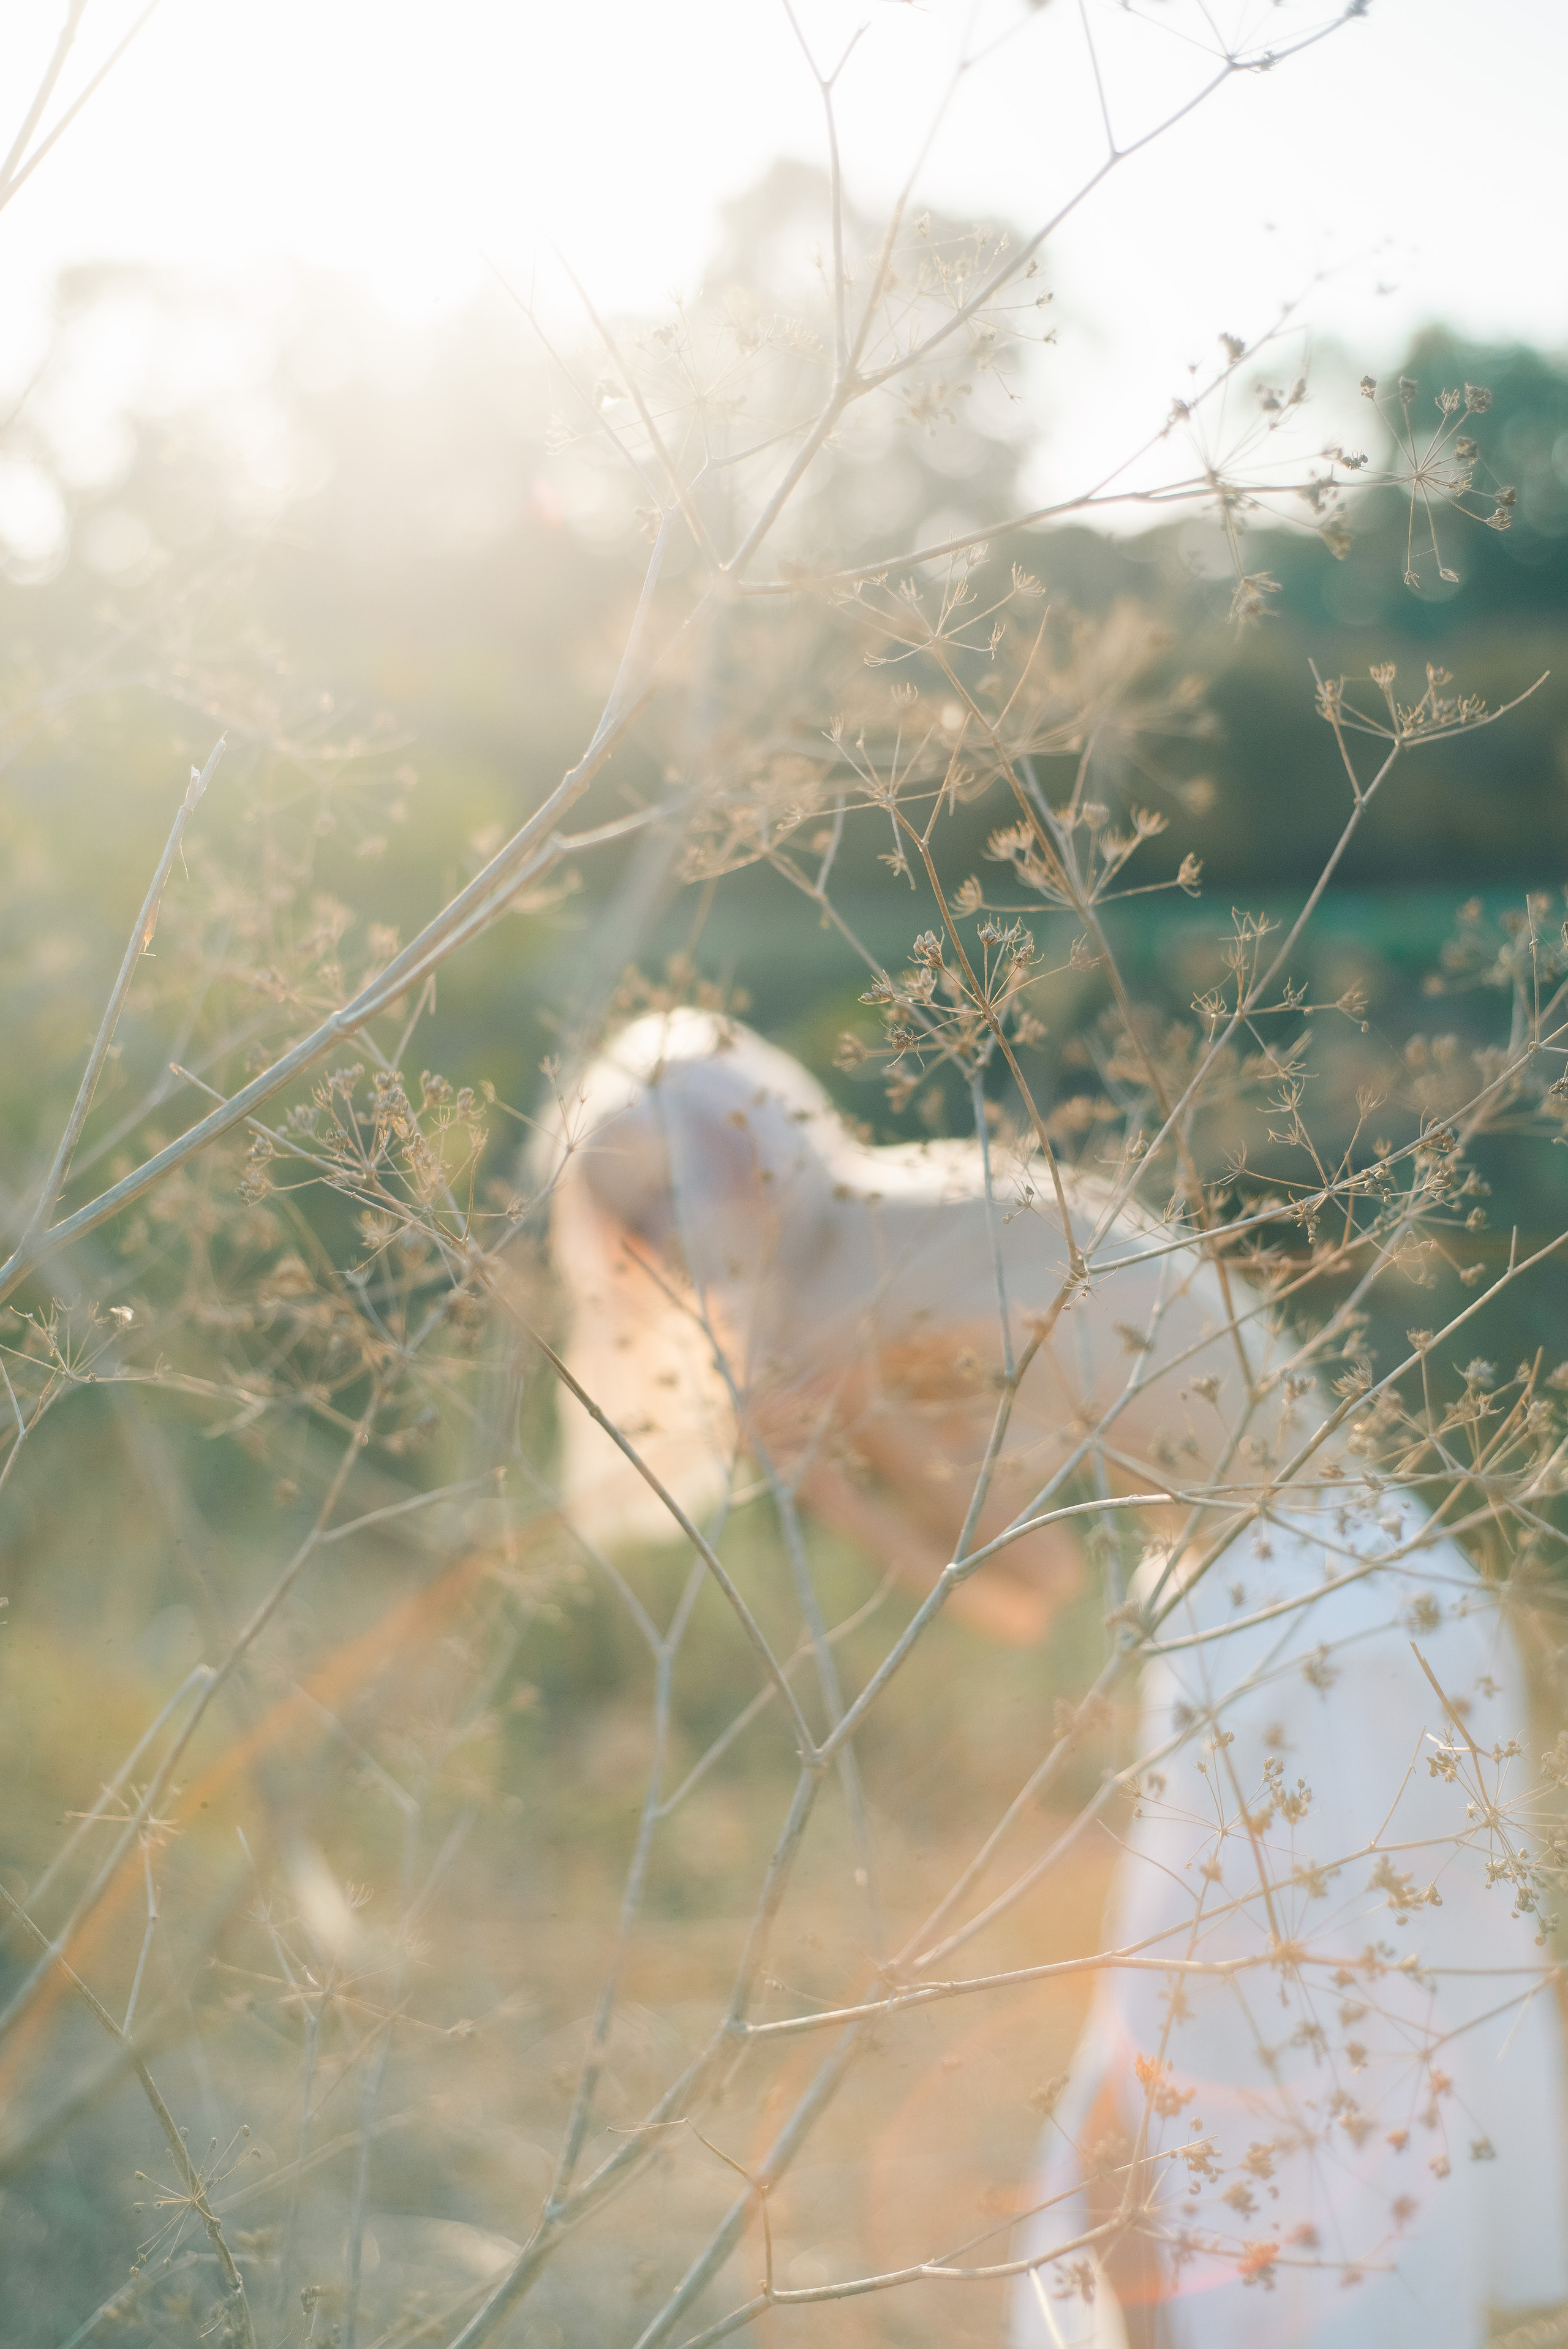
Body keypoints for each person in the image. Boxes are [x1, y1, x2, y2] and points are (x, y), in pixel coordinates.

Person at [541, 1007, 1568, 2346]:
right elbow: (1039, 1556)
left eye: (664, 1216)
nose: (672, 1257)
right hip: (1386, 1574)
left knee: (1254, 2061)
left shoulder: (824, 1286)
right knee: (1353, 2031)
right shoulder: (922, 1192)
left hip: (1292, 1625)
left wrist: (816, 1466)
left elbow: (1019, 1589)